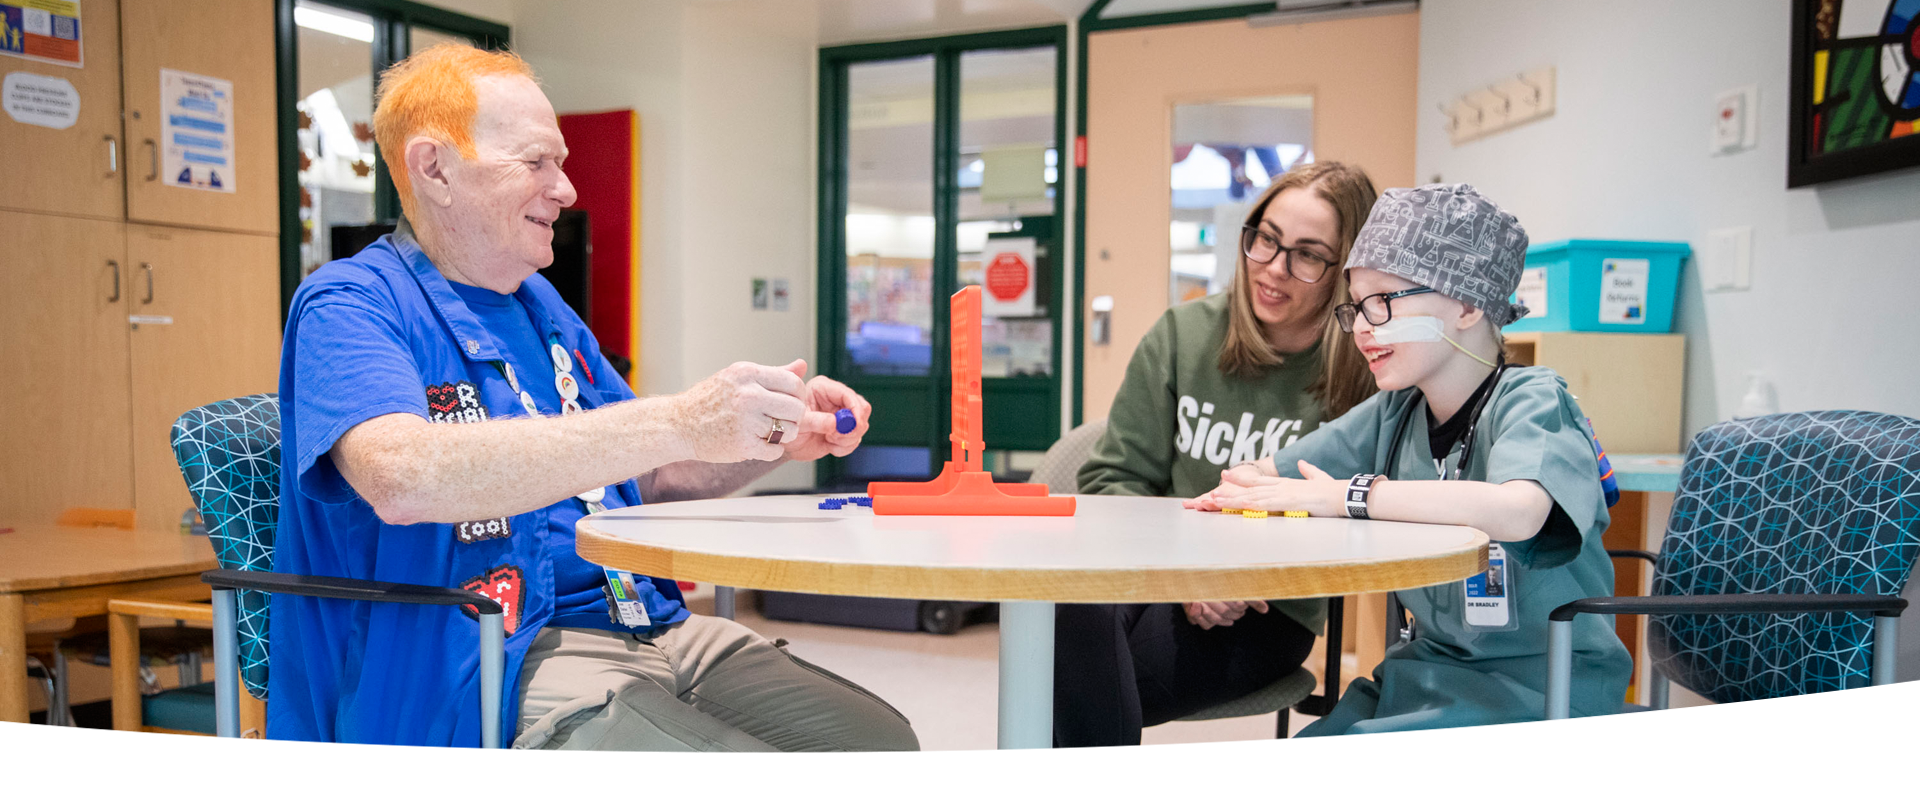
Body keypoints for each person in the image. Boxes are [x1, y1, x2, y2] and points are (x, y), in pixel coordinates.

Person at [270, 44, 918, 752]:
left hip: (648, 618)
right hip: (491, 649)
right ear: (434, 168)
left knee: (880, 740)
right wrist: (676, 418)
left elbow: (652, 474)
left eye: (564, 163)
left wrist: (768, 440)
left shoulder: (541, 306)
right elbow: (403, 478)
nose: (567, 189)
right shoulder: (349, 305)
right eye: (537, 162)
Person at [1187, 184, 1632, 737]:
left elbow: (1519, 511)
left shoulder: (1534, 401)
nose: (1365, 329)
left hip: (1543, 691)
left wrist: (1346, 496)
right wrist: (1228, 556)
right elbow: (1252, 479)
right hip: (1422, 677)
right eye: (1356, 308)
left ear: (1468, 303)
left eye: (1384, 302)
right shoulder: (1394, 413)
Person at [1056, 162, 1380, 748]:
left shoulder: (1364, 369)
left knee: (1066, 675)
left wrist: (1231, 571)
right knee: (1070, 614)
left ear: (1346, 270)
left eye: (1307, 255)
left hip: (1265, 605)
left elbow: (1351, 511)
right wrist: (1186, 571)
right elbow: (1113, 481)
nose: (1274, 269)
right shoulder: (1183, 333)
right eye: (1266, 239)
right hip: (1150, 571)